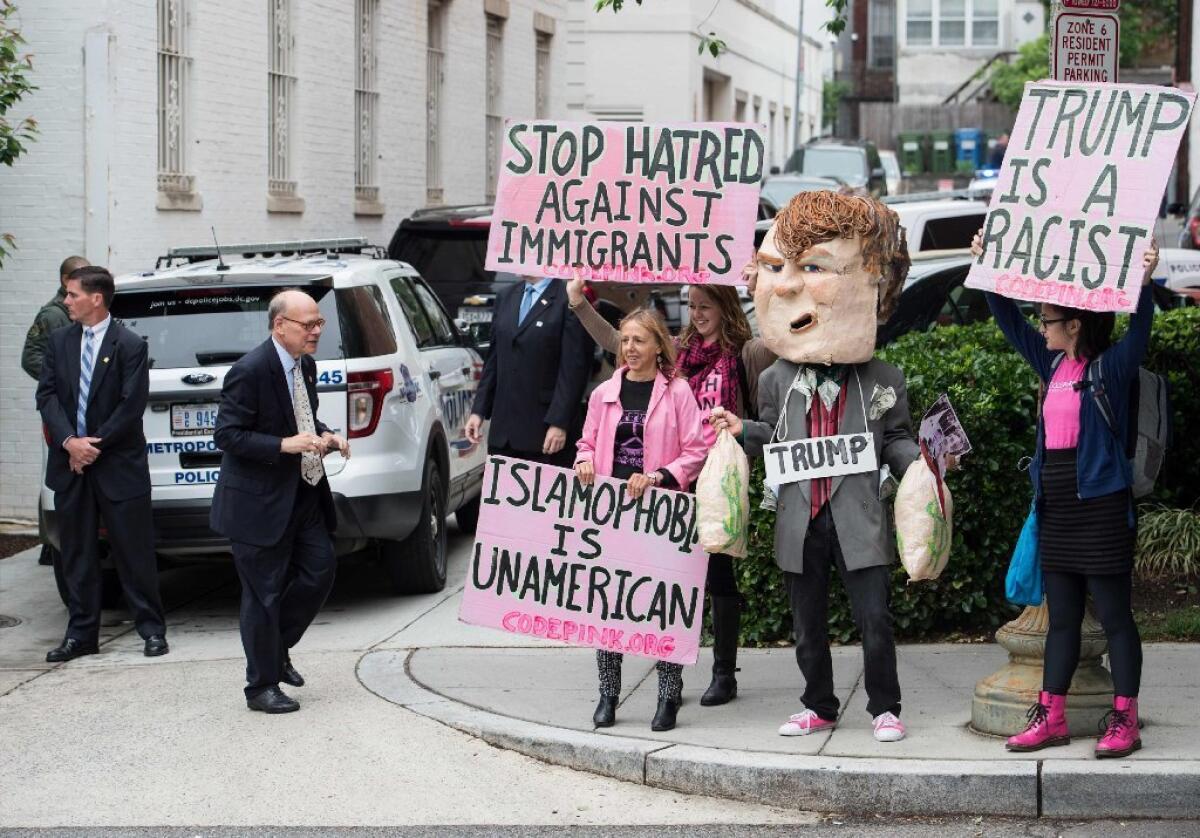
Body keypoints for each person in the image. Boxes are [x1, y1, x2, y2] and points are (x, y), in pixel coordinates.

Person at [711, 191, 918, 743]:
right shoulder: (775, 379)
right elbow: (773, 435)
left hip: (857, 513)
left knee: (874, 618)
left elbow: (894, 437)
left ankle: (884, 705)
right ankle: (818, 704)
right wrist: (739, 431)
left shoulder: (883, 378)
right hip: (801, 516)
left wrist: (918, 464)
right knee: (808, 625)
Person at [971, 229, 1159, 759]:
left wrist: (1143, 282)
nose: (1040, 326)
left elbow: (1139, 332)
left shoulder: (1109, 370)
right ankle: (1050, 715)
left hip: (1100, 507)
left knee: (1117, 618)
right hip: (1056, 507)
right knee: (1062, 620)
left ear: (1074, 324)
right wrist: (986, 267)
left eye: (1049, 319)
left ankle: (1125, 717)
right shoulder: (1052, 364)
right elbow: (1008, 321)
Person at [567, 276, 774, 706]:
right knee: (667, 583)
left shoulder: (743, 353)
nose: (696, 315)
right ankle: (665, 680)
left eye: (704, 306)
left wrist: (763, 289)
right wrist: (579, 304)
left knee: (717, 575)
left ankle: (723, 673)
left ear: (724, 307)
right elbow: (621, 340)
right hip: (667, 482)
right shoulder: (678, 355)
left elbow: (777, 348)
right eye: (691, 305)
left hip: (716, 479)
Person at [210, 289, 350, 714]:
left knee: (320, 570)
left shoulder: (304, 366)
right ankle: (261, 686)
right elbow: (228, 435)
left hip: (303, 493)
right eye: (308, 325)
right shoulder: (250, 371)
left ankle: (276, 647)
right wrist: (284, 445)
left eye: (320, 323)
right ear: (280, 326)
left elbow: (301, 417)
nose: (316, 332)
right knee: (263, 594)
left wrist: (325, 436)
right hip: (257, 503)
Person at [574, 309, 711, 732]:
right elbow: (587, 442)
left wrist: (656, 477)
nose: (630, 349)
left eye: (639, 341)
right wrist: (582, 460)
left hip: (662, 514)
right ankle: (608, 694)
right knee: (609, 605)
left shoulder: (678, 393)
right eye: (625, 341)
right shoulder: (604, 394)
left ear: (658, 346)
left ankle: (669, 695)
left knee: (664, 606)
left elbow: (696, 449)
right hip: (613, 515)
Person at [35, 265, 168, 662]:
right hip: (70, 466)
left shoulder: (129, 344)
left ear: (96, 298)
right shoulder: (58, 342)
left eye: (72, 294)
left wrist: (93, 446)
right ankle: (81, 636)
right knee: (76, 554)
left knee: (134, 552)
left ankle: (152, 630)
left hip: (117, 466)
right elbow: (47, 397)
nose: (66, 301)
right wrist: (69, 443)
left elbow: (131, 405)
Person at [465, 275, 594, 467]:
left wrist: (559, 422)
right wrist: (478, 411)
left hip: (544, 432)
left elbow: (574, 367)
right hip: (504, 432)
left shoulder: (568, 297)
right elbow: (494, 360)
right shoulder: (506, 296)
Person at [24, 255, 89, 566]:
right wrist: (61, 380)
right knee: (58, 471)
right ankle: (51, 544)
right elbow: (31, 357)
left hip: (82, 407)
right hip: (60, 407)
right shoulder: (52, 315)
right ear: (66, 280)